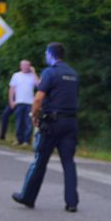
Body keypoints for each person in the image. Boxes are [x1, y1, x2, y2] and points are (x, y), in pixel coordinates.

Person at [12, 42, 79, 211]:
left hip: (52, 123)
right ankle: (72, 203)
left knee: (40, 160)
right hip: (71, 123)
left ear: (50, 54)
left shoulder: (50, 72)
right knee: (68, 162)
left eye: (46, 54)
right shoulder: (73, 74)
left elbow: (38, 98)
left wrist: (34, 117)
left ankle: (27, 197)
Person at [8, 59, 38, 145]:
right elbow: (12, 89)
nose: (25, 67)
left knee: (28, 122)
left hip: (30, 103)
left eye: (27, 65)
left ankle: (26, 140)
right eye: (24, 65)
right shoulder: (16, 75)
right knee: (19, 122)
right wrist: (11, 100)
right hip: (19, 102)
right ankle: (18, 139)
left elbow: (39, 84)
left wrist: (34, 72)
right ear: (20, 66)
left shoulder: (32, 76)